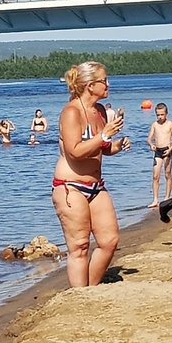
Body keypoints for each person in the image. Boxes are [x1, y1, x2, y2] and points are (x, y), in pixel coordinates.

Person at [52, 62, 130, 287]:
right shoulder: (71, 112)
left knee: (109, 241)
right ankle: (79, 294)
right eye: (104, 80)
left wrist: (116, 145)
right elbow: (75, 152)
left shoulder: (101, 111)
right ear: (89, 85)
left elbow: (102, 148)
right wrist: (104, 135)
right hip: (70, 186)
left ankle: (90, 289)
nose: (108, 84)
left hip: (96, 186)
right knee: (80, 246)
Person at [147, 102, 172, 208]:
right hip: (158, 151)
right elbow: (149, 138)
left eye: (162, 114)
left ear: (166, 114)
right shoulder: (154, 125)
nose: (160, 117)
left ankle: (167, 197)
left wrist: (170, 148)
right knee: (156, 176)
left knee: (167, 174)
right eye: (158, 115)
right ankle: (155, 199)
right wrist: (151, 144)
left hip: (167, 151)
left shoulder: (170, 124)